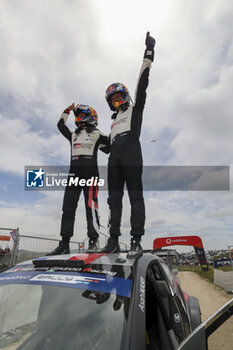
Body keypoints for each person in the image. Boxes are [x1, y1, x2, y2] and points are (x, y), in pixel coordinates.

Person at [101, 32, 155, 259]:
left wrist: (148, 54)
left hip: (132, 154)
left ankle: (136, 240)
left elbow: (141, 84)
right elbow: (104, 145)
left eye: (118, 97)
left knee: (135, 197)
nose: (116, 102)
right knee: (114, 200)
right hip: (114, 160)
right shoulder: (113, 123)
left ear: (124, 96)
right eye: (112, 100)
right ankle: (113, 240)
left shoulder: (135, 110)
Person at [47, 104, 109, 255]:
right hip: (73, 177)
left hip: (91, 176)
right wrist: (66, 111)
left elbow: (111, 147)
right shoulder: (73, 134)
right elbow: (60, 125)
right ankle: (64, 244)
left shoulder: (98, 134)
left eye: (81, 115)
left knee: (91, 209)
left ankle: (93, 242)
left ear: (91, 117)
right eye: (77, 116)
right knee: (67, 209)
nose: (78, 118)